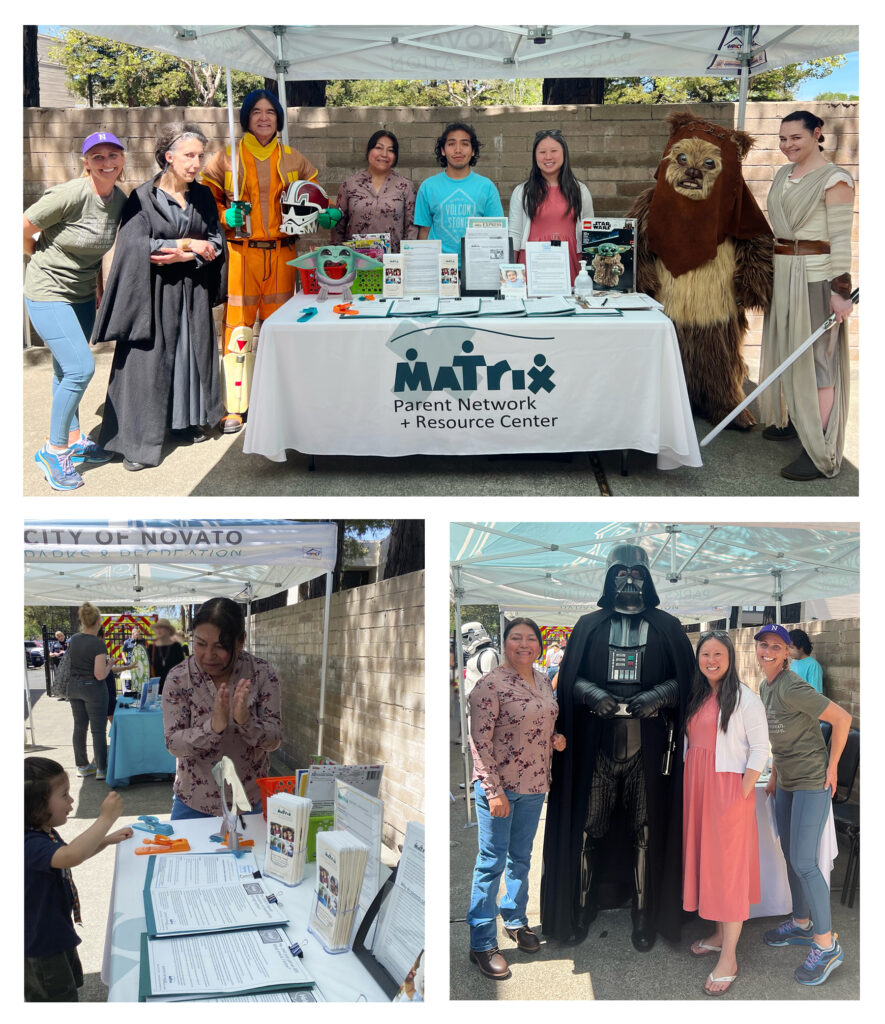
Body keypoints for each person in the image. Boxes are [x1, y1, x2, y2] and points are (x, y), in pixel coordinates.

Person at [540, 544, 695, 951]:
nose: (629, 579)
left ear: (648, 578)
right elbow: (570, 676)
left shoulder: (667, 626)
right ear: (609, 578)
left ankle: (644, 914)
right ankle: (582, 905)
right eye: (621, 572)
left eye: (637, 572)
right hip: (597, 743)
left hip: (649, 745)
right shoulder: (589, 624)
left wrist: (658, 695)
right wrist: (592, 693)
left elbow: (686, 680)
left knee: (646, 830)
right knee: (590, 827)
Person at [92, 122, 225, 471]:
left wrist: (197, 252)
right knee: (148, 365)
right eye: (189, 155)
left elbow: (216, 239)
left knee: (188, 357)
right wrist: (181, 245)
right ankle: (136, 443)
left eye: (200, 155)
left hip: (192, 290)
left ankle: (182, 423)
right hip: (153, 294)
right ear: (169, 157)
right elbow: (134, 245)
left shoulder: (203, 195)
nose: (196, 163)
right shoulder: (141, 197)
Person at [202, 89, 336, 434]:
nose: (264, 117)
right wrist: (223, 215)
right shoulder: (226, 159)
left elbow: (317, 198)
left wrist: (326, 214)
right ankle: (235, 407)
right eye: (257, 111)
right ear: (246, 117)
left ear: (279, 118)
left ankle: (282, 402)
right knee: (238, 330)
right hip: (241, 253)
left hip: (283, 253)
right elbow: (204, 202)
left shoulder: (294, 158)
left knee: (282, 330)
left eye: (270, 112)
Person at [24, 132, 127, 490]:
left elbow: (99, 250)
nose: (106, 162)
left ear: (123, 159)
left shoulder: (119, 199)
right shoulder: (69, 195)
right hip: (48, 291)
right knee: (81, 367)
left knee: (63, 369)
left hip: (82, 293)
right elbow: (22, 229)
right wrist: (37, 259)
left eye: (113, 154)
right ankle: (53, 451)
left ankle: (73, 438)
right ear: (86, 162)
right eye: (97, 156)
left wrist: (97, 288)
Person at [758, 111, 855, 481]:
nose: (787, 146)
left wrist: (839, 292)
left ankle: (819, 449)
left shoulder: (835, 179)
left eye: (795, 138)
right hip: (784, 274)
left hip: (816, 278)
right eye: (782, 139)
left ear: (817, 134)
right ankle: (799, 420)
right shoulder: (783, 174)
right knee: (788, 350)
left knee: (818, 362)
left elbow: (841, 241)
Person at [467, 617, 566, 979]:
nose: (523, 644)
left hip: (535, 784)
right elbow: (479, 742)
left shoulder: (542, 680)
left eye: (530, 639)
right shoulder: (489, 685)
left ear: (540, 645)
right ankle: (481, 942)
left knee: (521, 858)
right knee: (491, 861)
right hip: (501, 788)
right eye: (515, 638)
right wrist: (493, 792)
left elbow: (543, 722)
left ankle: (514, 917)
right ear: (504, 643)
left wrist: (556, 739)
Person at [755, 624, 853, 986]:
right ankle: (800, 922)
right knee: (789, 853)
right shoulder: (766, 686)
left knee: (804, 862)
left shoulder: (793, 684)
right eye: (763, 644)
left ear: (786, 653)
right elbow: (782, 736)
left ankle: (827, 947)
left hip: (812, 780)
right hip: (788, 780)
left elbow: (843, 719)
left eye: (775, 646)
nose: (767, 650)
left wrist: (832, 767)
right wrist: (776, 773)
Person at [682, 630, 769, 996]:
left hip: (727, 791)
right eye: (705, 654)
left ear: (730, 657)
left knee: (729, 871)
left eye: (718, 654)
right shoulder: (700, 693)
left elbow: (760, 750)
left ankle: (729, 958)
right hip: (699, 789)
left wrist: (740, 794)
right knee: (711, 865)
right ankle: (719, 934)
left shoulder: (745, 699)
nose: (712, 660)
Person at [162, 597, 282, 819]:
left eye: (220, 646)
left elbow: (274, 739)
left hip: (249, 802)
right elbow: (173, 743)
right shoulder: (179, 678)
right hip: (192, 802)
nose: (208, 656)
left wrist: (246, 721)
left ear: (241, 640)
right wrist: (213, 728)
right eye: (200, 644)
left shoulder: (261, 673)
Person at [25, 757, 132, 1001]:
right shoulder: (28, 844)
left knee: (67, 987)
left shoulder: (43, 831)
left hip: (55, 931)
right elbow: (71, 855)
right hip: (40, 945)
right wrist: (105, 819)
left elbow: (71, 853)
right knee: (55, 998)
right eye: (64, 795)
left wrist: (105, 840)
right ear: (37, 805)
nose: (71, 800)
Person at [508, 129, 594, 286]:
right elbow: (514, 235)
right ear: (535, 156)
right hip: (532, 266)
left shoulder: (580, 191)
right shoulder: (522, 192)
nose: (548, 157)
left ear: (564, 154)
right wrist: (511, 279)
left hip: (571, 264)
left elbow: (590, 234)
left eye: (554, 151)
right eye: (542, 152)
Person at [414, 122, 504, 257]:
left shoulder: (487, 187)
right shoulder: (428, 187)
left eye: (465, 144)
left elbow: (497, 232)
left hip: (476, 266)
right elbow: (424, 232)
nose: (458, 150)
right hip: (440, 267)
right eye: (451, 144)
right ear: (443, 150)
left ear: (473, 151)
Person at [331, 130, 417, 253]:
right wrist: (338, 257)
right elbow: (338, 227)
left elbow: (411, 228)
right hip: (356, 262)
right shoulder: (349, 185)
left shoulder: (406, 186)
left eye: (391, 150)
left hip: (393, 263)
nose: (384, 154)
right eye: (379, 148)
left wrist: (407, 258)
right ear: (368, 151)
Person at [66, 602, 126, 781]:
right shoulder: (98, 645)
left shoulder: (74, 639)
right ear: (98, 621)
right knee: (98, 730)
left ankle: (82, 766)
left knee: (79, 727)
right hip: (93, 689)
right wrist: (110, 664)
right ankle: (102, 768)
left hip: (74, 687)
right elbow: (100, 675)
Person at [462, 621, 500, 702]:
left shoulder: (488, 655)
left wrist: (467, 694)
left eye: (465, 637)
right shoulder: (477, 655)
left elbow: (488, 686)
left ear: (476, 634)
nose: (463, 642)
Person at [147, 617, 187, 694]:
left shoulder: (176, 647)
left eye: (161, 627)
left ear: (168, 630)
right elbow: (147, 670)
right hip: (156, 691)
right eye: (157, 628)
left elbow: (182, 669)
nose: (158, 630)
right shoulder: (151, 648)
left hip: (174, 690)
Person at [788, 628, 824, 693]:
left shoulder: (813, 665)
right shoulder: (793, 663)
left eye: (791, 647)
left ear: (801, 647)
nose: (788, 651)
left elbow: (816, 695)